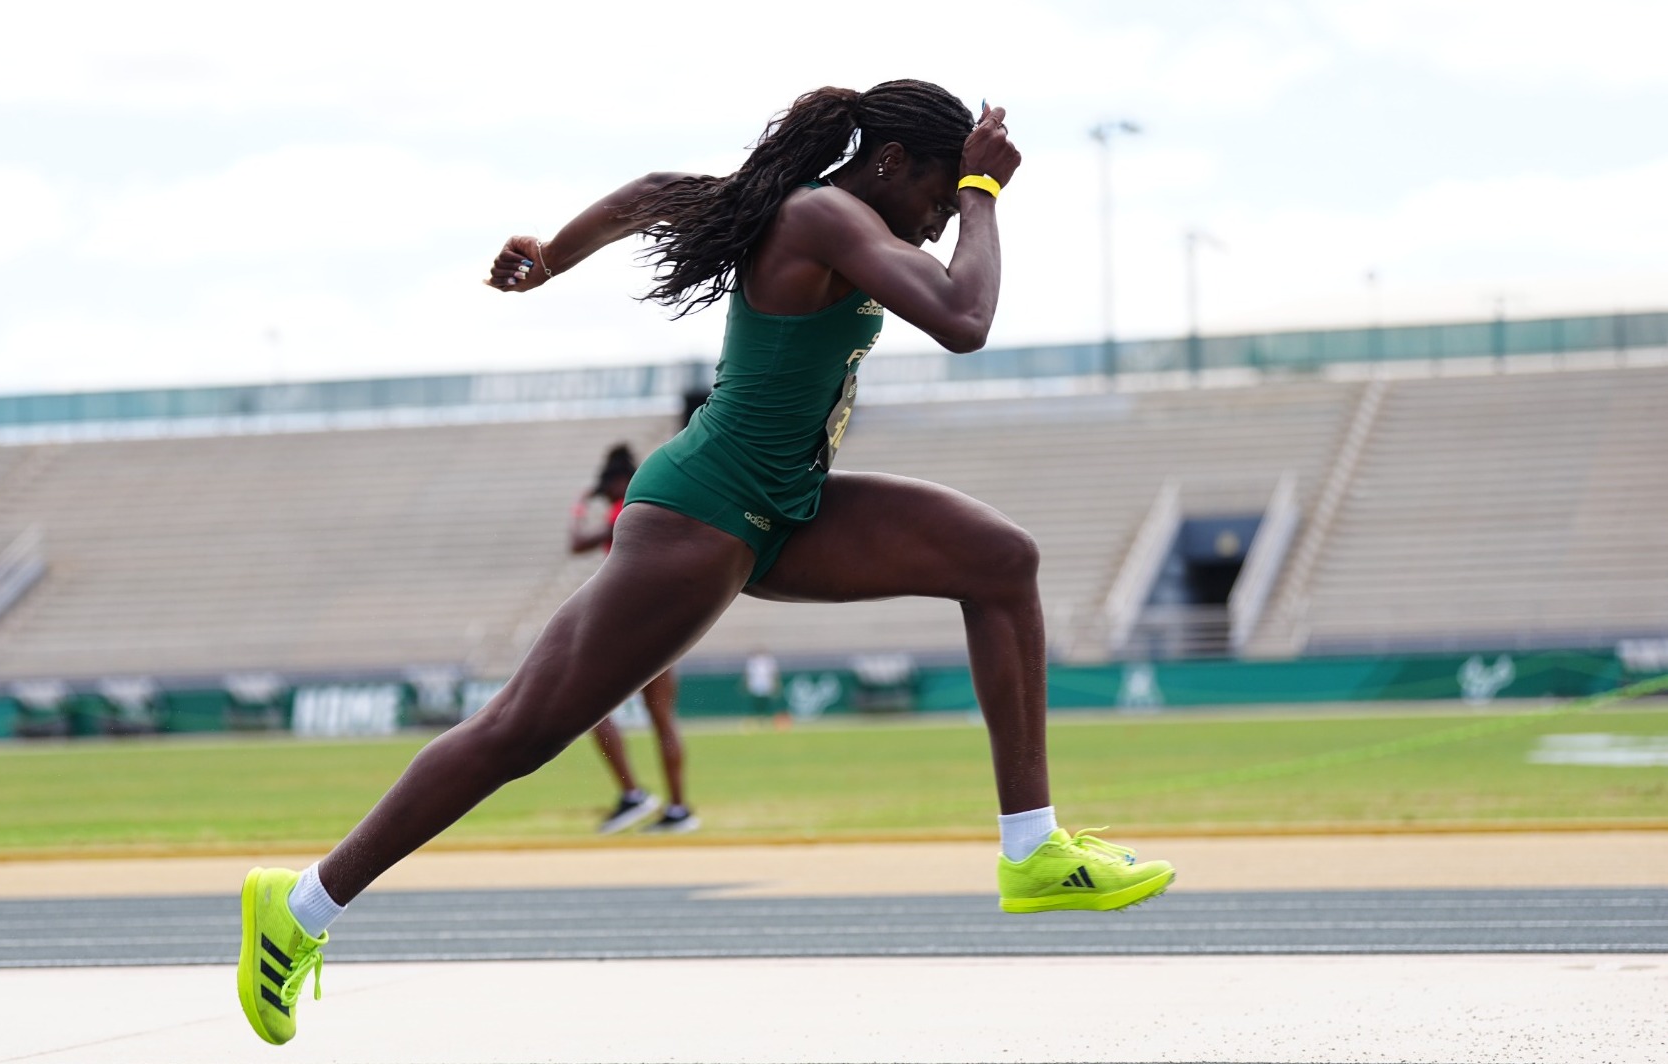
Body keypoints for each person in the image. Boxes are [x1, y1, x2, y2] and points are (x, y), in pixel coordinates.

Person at [238, 79, 1174, 1047]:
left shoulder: (801, 208)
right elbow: (962, 318)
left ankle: (1032, 848)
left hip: (782, 509)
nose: (942, 223)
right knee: (519, 732)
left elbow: (649, 192)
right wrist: (985, 186)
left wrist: (554, 256)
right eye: (937, 199)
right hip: (704, 515)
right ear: (891, 161)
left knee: (998, 559)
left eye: (953, 209)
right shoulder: (824, 214)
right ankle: (299, 905)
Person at [571, 443, 697, 834]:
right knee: (662, 719)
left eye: (607, 485)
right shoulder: (653, 504)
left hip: (631, 620)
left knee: (586, 708)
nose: (604, 491)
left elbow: (576, 544)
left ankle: (632, 795)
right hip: (662, 619)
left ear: (620, 481)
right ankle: (678, 809)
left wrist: (579, 507)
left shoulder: (624, 510)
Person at [743, 648, 787, 729]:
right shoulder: (752, 661)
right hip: (756, 686)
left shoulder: (769, 661)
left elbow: (774, 674)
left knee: (766, 704)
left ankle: (765, 720)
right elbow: (748, 675)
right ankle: (757, 720)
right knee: (757, 705)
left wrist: (776, 685)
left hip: (766, 686)